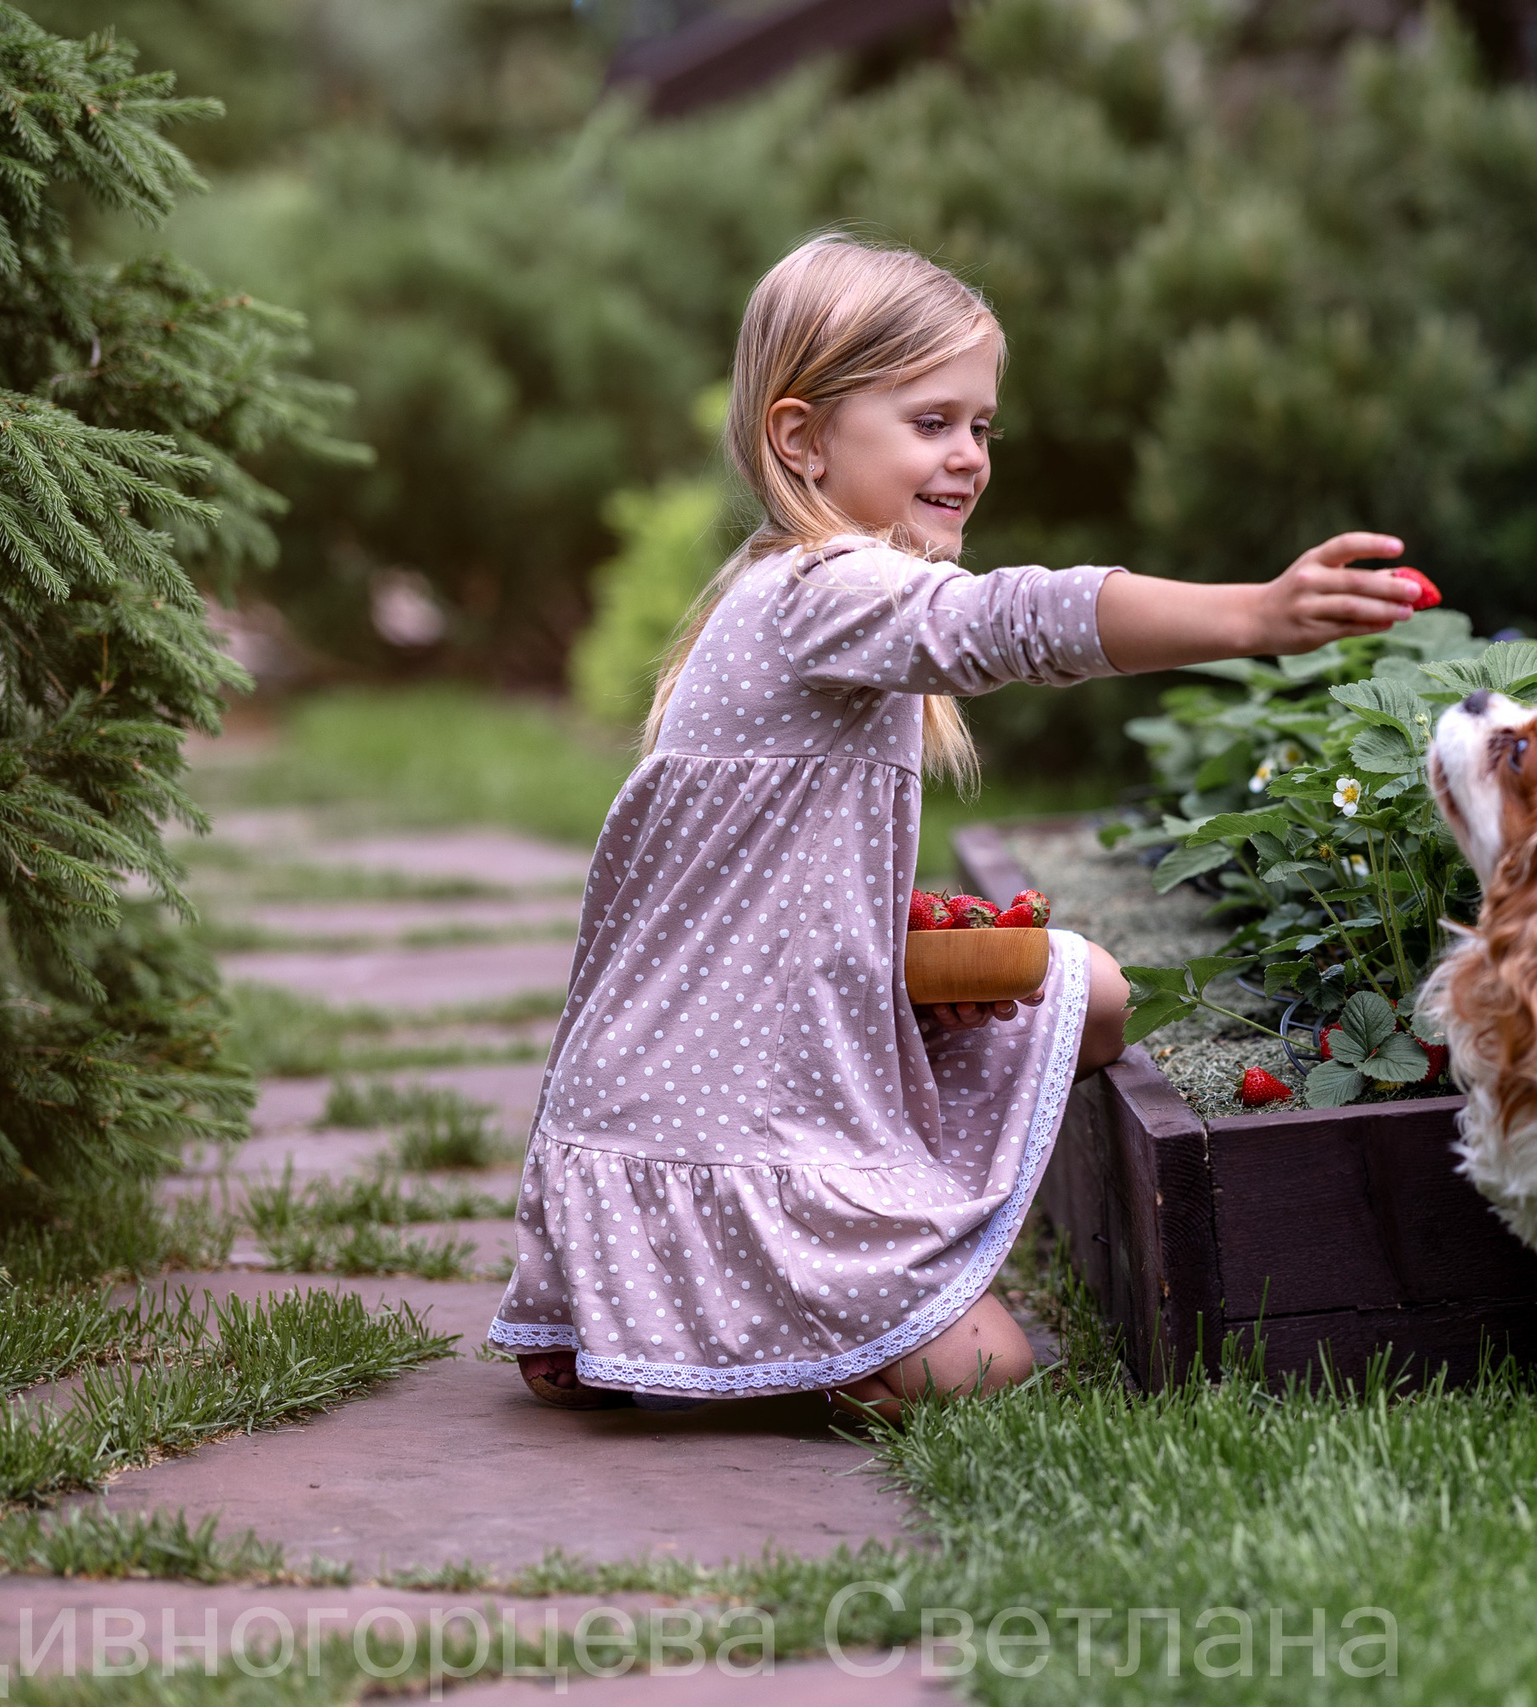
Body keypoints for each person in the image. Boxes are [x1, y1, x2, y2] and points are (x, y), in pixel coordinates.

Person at [486, 234, 1420, 1419]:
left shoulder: (801, 592)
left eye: (981, 428)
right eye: (931, 422)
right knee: (988, 1370)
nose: (968, 458)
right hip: (713, 1115)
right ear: (800, 436)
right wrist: (1255, 615)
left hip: (758, 1055)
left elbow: (762, 902)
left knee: (1094, 989)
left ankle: (687, 1309)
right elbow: (1010, 623)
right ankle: (720, 1332)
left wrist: (904, 965)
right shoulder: (822, 592)